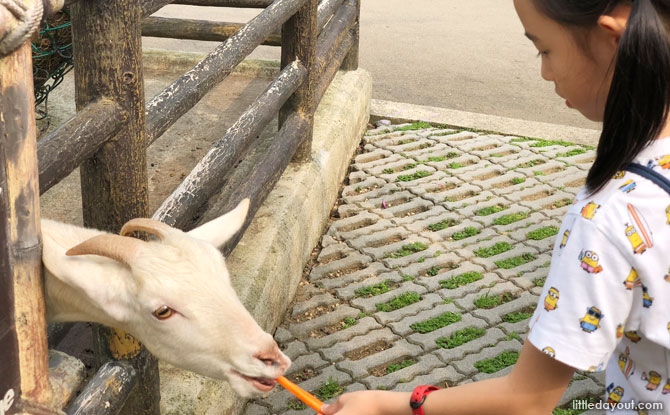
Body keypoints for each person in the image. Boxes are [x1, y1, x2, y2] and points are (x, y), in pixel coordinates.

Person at [321, 0, 670, 414]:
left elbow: (527, 401)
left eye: (544, 49)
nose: (544, 72)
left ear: (612, 39)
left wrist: (386, 405)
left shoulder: (609, 216)